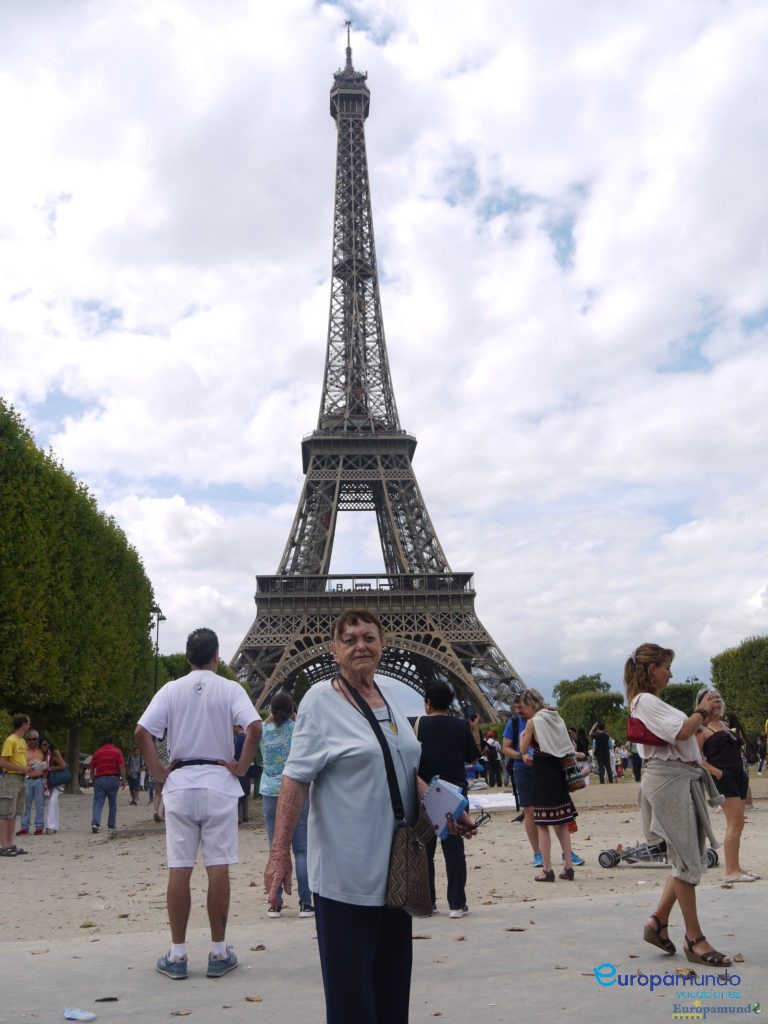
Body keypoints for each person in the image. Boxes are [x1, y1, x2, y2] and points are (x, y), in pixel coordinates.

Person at [264, 609, 475, 1024]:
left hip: (396, 872)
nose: (360, 645)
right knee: (351, 1005)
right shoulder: (319, 701)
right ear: (334, 649)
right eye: (350, 638)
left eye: (369, 637)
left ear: (382, 645)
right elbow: (296, 778)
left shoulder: (390, 697)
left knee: (392, 996)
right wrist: (279, 854)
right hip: (346, 877)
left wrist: (445, 807)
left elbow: (402, 768)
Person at [136, 626, 261, 981]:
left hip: (180, 784)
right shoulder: (230, 688)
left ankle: (177, 955)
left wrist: (158, 772)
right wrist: (241, 767)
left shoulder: (170, 690)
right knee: (217, 866)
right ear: (217, 657)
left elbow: (141, 732)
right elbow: (254, 727)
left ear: (188, 657)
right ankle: (218, 952)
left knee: (180, 867)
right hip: (219, 785)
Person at [625, 643, 731, 966]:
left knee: (685, 857)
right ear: (651, 669)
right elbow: (683, 731)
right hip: (670, 782)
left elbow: (684, 734)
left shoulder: (651, 702)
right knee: (686, 859)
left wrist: (703, 715)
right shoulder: (644, 701)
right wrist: (700, 711)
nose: (671, 673)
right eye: (666, 666)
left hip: (676, 780)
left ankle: (657, 921)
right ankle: (694, 939)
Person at [410, 680, 479, 918]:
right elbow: (472, 756)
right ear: (449, 704)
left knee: (425, 850)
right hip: (454, 793)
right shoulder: (460, 726)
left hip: (425, 792)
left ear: (427, 703)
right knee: (454, 848)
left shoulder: (415, 724)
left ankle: (428, 901)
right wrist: (474, 729)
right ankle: (457, 904)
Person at [259, 693, 312, 918]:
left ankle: (275, 903)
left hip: (269, 794)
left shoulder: (263, 731)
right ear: (292, 710)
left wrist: (271, 717)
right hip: (295, 791)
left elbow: (261, 725)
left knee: (276, 852)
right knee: (302, 851)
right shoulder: (297, 730)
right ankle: (306, 903)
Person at [696, 689, 757, 882]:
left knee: (739, 822)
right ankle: (731, 871)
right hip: (724, 776)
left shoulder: (723, 724)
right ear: (703, 704)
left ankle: (736, 866)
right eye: (712, 701)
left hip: (738, 775)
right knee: (734, 822)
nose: (717, 704)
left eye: (718, 700)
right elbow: (695, 758)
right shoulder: (702, 729)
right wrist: (717, 772)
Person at [518, 689, 578, 882]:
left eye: (524, 707)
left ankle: (547, 869)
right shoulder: (555, 717)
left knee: (542, 824)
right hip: (558, 773)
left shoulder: (533, 722)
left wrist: (523, 735)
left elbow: (523, 748)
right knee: (561, 823)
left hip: (542, 774)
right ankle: (568, 866)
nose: (523, 711)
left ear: (529, 705)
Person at [0, 714, 31, 857]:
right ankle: (4, 846)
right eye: (28, 723)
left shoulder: (22, 742)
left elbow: (21, 760)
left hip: (21, 779)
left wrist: (29, 767)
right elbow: (3, 762)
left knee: (14, 813)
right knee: (5, 812)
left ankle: (10, 843)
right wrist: (21, 768)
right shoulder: (10, 740)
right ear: (24, 724)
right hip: (11, 778)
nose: (29, 725)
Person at [89, 737, 126, 834]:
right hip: (113, 779)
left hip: (100, 779)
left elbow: (92, 767)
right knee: (112, 803)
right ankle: (111, 825)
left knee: (97, 802)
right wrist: (124, 780)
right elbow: (121, 766)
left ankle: (95, 823)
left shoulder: (97, 752)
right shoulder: (117, 752)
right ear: (113, 742)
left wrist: (93, 779)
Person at [18, 729, 47, 836]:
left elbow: (50, 752)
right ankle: (24, 827)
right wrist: (29, 766)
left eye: (34, 739)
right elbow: (20, 764)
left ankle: (39, 827)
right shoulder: (23, 750)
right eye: (29, 739)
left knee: (40, 804)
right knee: (26, 805)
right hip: (28, 779)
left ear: (37, 739)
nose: (31, 741)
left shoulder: (41, 749)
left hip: (39, 779)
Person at [41, 737, 66, 834]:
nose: (44, 746)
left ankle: (50, 826)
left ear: (49, 744)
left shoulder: (55, 753)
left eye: (45, 744)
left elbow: (62, 765)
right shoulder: (42, 754)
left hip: (56, 781)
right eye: (42, 744)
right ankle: (55, 825)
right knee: (54, 802)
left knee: (52, 801)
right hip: (48, 781)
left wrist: (50, 768)